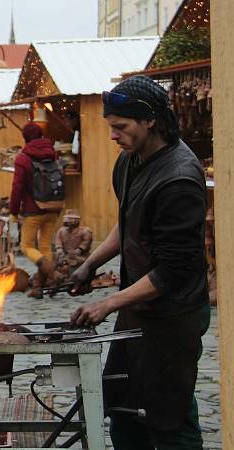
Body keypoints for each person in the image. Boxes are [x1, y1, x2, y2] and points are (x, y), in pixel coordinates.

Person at [69, 76, 209, 450]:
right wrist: (91, 264)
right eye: (110, 126)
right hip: (138, 311)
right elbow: (129, 222)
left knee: (169, 417)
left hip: (173, 316)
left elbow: (173, 270)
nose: (113, 135)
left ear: (150, 121)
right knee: (124, 410)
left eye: (121, 127)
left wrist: (107, 303)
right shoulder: (131, 161)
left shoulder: (179, 180)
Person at [9, 122, 61, 297]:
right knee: (45, 246)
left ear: (25, 138)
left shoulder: (23, 158)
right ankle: (40, 286)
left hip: (34, 208)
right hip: (54, 206)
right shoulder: (52, 153)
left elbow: (17, 186)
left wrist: (13, 212)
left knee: (27, 246)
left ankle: (52, 274)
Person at [52, 210, 92, 285]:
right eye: (67, 219)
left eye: (70, 220)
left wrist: (78, 251)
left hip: (80, 256)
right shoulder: (61, 231)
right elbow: (58, 242)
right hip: (64, 255)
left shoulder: (84, 231)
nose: (67, 222)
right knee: (52, 260)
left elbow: (86, 243)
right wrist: (59, 250)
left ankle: (72, 277)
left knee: (75, 263)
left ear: (76, 221)